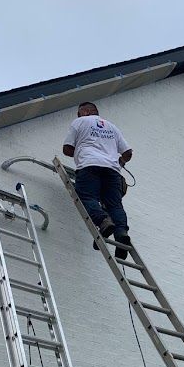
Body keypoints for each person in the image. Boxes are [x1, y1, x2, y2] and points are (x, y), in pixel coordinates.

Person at [62, 102, 133, 259]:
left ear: (86, 111)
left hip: (89, 165)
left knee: (87, 197)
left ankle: (103, 221)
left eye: (79, 113)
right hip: (112, 170)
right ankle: (121, 232)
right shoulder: (112, 127)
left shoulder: (80, 122)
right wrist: (119, 163)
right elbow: (128, 152)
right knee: (114, 204)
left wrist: (80, 150)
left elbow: (67, 148)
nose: (78, 116)